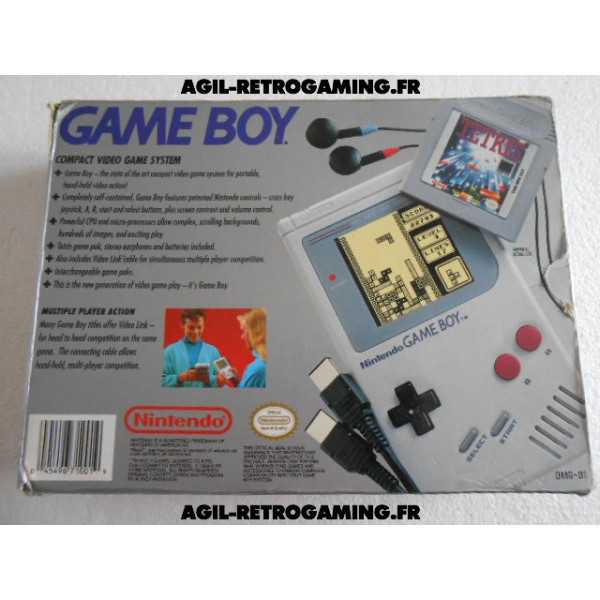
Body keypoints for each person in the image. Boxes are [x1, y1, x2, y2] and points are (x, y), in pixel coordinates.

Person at [162, 309, 220, 388]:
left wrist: (209, 379)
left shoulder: (214, 352)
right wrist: (180, 378)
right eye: (191, 327)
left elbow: (223, 382)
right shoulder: (169, 352)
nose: (195, 332)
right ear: (182, 325)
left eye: (199, 327)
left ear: (204, 326)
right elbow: (160, 381)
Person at [218, 308, 267, 388]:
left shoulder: (256, 369)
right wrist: (238, 382)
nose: (242, 336)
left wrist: (224, 385)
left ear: (254, 332)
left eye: (243, 331)